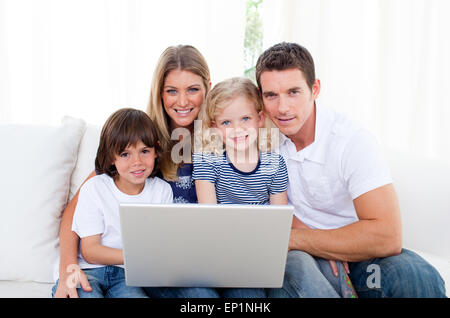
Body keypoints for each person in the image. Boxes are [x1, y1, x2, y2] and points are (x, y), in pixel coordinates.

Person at [255, 42, 446, 297]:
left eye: (293, 92)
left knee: (412, 274)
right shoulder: (253, 136)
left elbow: (387, 236)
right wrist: (309, 246)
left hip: (359, 257)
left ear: (315, 89)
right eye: (271, 95)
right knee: (297, 272)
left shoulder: (350, 140)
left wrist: (306, 241)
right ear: (260, 96)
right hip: (301, 257)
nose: (282, 108)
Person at [193, 76, 357, 298]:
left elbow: (280, 221)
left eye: (245, 119)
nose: (237, 129)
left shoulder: (274, 163)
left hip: (265, 248)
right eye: (226, 123)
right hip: (227, 250)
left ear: (260, 119)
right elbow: (209, 219)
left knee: (304, 263)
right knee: (246, 293)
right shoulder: (207, 162)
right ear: (214, 127)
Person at [52, 108, 172, 297]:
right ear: (110, 156)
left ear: (156, 151)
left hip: (126, 275)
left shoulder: (162, 191)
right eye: (125, 154)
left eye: (145, 151)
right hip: (88, 271)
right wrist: (138, 258)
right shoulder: (94, 188)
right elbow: (90, 251)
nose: (137, 162)